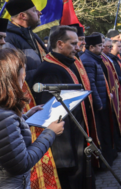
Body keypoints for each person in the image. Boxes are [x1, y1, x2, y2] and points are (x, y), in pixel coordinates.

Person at [31, 26, 99, 189]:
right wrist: (64, 158)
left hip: (76, 140)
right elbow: (51, 116)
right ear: (60, 44)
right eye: (74, 43)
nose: (78, 47)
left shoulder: (64, 64)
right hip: (67, 150)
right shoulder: (49, 70)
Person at [0, 48, 65, 189]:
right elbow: (21, 164)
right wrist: (50, 133)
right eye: (23, 68)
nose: (25, 75)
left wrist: (25, 117)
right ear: (11, 74)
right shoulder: (5, 116)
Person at [80, 35, 119, 166]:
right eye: (99, 46)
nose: (102, 48)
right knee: (101, 133)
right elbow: (91, 84)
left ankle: (108, 158)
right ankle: (103, 162)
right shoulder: (88, 61)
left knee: (106, 131)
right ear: (91, 47)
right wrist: (98, 103)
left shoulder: (94, 58)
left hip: (102, 100)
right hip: (99, 104)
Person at [4, 0, 48, 83]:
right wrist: (45, 72)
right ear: (23, 15)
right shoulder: (7, 38)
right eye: (34, 10)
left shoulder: (32, 35)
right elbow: (11, 74)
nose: (40, 13)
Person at [106, 39, 121, 141]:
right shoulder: (110, 59)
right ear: (112, 47)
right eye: (119, 46)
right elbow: (114, 75)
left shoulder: (116, 58)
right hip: (116, 89)